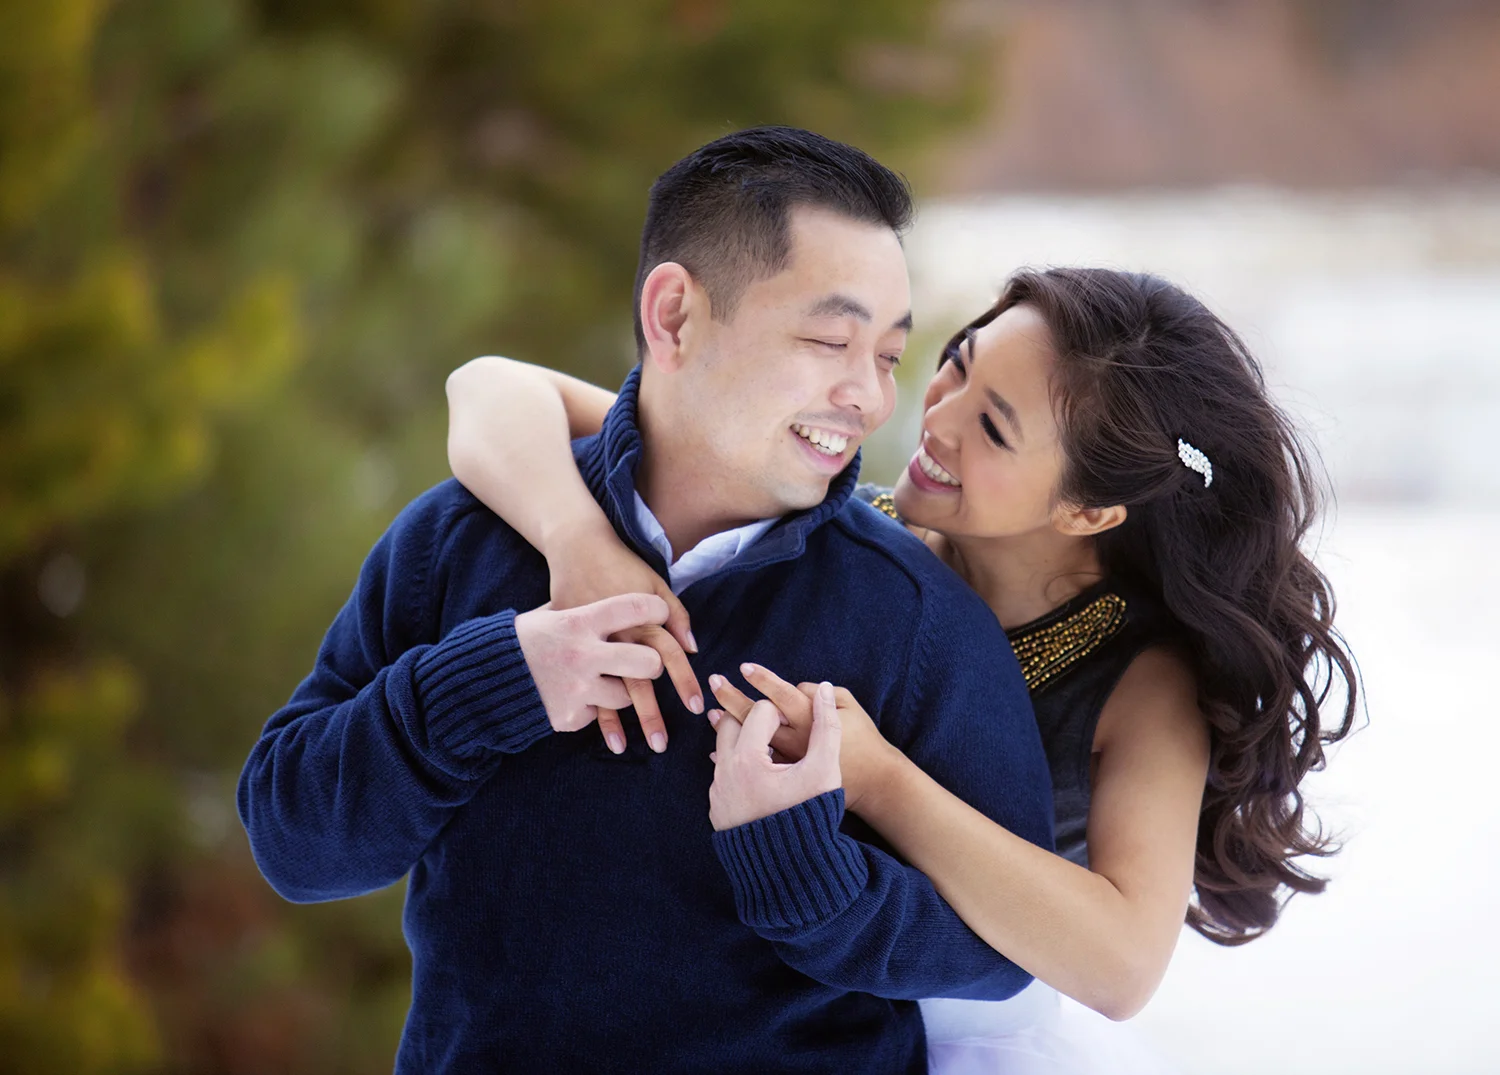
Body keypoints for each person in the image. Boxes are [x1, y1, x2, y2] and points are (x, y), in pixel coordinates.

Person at [238, 126, 1056, 1074]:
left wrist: (808, 876)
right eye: (831, 340)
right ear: (673, 317)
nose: (870, 399)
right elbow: (292, 842)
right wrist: (491, 684)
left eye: (887, 354)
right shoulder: (461, 538)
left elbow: (1006, 955)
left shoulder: (918, 618)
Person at [445, 267, 1360, 1071]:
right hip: (751, 1002)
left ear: (1088, 509)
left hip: (960, 1028)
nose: (935, 416)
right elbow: (490, 388)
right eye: (959, 362)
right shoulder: (838, 522)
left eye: (993, 428)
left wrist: (880, 778)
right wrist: (576, 540)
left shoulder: (1141, 678)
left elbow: (1121, 966)